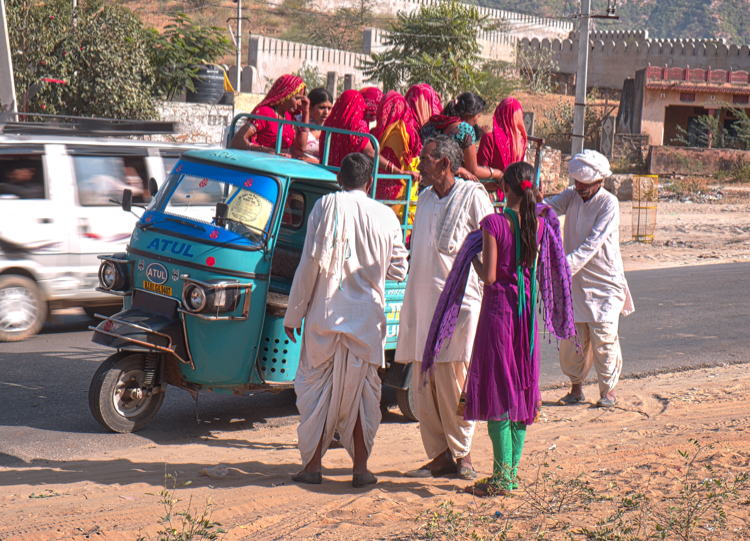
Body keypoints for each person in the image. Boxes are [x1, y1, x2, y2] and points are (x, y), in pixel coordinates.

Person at [421, 161, 577, 497]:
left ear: (504, 188)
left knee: (497, 392)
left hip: (499, 315)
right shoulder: (539, 223)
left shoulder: (493, 223)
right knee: (520, 390)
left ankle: (502, 478)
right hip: (526, 319)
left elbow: (489, 277)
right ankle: (511, 474)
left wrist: (471, 258)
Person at [284, 153, 409, 487]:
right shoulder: (387, 216)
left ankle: (312, 465)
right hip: (367, 321)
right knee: (361, 393)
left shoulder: (326, 206)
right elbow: (399, 269)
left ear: (340, 179)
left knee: (319, 391)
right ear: (370, 183)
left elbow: (309, 263)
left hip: (325, 316)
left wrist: (293, 313)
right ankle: (361, 469)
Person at [395, 135, 494, 481]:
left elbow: (490, 246)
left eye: (424, 159)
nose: (418, 164)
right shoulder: (423, 198)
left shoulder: (473, 196)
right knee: (424, 388)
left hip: (459, 308)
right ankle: (438, 456)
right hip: (422, 309)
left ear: (444, 164)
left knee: (454, 384)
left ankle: (463, 455)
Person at [545, 149, 634, 408]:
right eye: (577, 181)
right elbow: (548, 208)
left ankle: (608, 392)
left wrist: (561, 266)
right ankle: (576, 389)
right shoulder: (572, 196)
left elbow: (591, 245)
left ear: (600, 180)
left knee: (604, 337)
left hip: (604, 282)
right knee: (573, 340)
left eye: (584, 183)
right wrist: (531, 203)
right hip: (575, 283)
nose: (579, 186)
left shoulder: (609, 203)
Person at [321, 90, 421, 185]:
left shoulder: (328, 124)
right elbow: (369, 153)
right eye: (362, 104)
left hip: (326, 176)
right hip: (348, 181)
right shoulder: (357, 124)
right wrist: (399, 172)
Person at [421, 93, 502, 184]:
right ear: (469, 116)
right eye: (477, 117)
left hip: (422, 185)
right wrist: (496, 174)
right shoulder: (465, 130)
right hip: (446, 189)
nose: (477, 121)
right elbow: (472, 170)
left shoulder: (429, 125)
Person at [371, 91, 422, 223]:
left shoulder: (394, 133)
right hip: (406, 191)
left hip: (391, 196)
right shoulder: (410, 129)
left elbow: (387, 163)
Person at [230, 74, 308, 153]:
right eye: (297, 98)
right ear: (284, 95)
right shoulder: (264, 113)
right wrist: (264, 150)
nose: (300, 104)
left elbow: (301, 147)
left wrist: (306, 112)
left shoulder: (290, 115)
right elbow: (237, 140)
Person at [477, 97, 528, 201]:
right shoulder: (522, 143)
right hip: (513, 197)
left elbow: (478, 175)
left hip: (491, 198)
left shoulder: (489, 139)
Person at [291, 87, 333, 163]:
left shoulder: (332, 127)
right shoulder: (297, 122)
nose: (326, 112)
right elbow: (300, 148)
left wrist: (317, 162)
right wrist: (305, 114)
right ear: (310, 107)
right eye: (322, 107)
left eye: (329, 108)